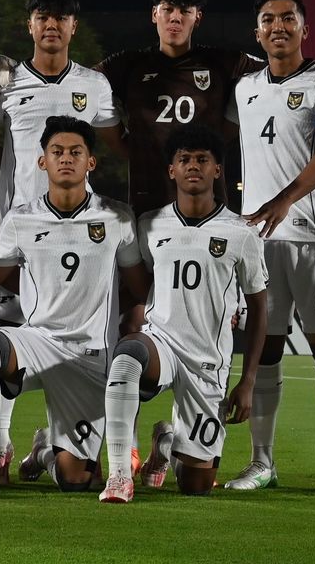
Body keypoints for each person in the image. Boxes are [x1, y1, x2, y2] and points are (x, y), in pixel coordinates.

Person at [0, 116, 151, 500]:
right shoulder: (21, 219)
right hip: (38, 342)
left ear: (91, 162)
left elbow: (140, 289)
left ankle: (44, 451)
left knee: (76, 480)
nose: (66, 158)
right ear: (42, 161)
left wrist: (111, 309)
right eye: (57, 151)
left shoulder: (117, 217)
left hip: (90, 354)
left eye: (76, 152)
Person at [0, 0, 127, 481]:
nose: (51, 25)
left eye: (60, 18)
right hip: (19, 234)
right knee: (10, 336)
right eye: (43, 17)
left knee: (74, 337)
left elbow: (115, 145)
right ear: (30, 25)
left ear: (72, 27)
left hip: (78, 236)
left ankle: (57, 443)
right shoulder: (6, 82)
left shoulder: (94, 85)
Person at [224, 0, 315, 496]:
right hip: (260, 242)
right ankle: (262, 463)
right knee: (265, 351)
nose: (277, 26)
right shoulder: (244, 88)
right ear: (257, 32)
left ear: (305, 27)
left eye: (287, 18)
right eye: (268, 19)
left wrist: (284, 200)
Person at [98, 125, 268, 503]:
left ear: (217, 170)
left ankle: (166, 442)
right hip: (162, 345)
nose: (193, 166)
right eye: (184, 159)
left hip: (208, 363)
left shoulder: (242, 232)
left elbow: (259, 307)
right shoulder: (149, 224)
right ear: (171, 170)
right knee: (127, 356)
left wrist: (248, 380)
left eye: (202, 160)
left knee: (195, 485)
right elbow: (137, 287)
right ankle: (120, 475)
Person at [96, 0, 315, 217]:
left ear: (197, 17)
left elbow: (285, 67)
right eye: (168, 9)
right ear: (155, 14)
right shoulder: (127, 64)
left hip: (209, 208)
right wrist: (132, 147)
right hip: (148, 205)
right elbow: (83, 82)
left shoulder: (225, 62)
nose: (175, 18)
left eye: (185, 11)